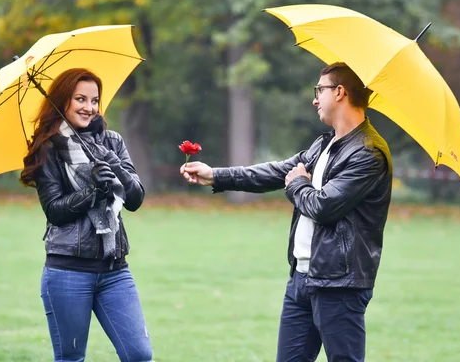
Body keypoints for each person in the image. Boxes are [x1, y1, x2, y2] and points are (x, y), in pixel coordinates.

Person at [180, 62, 392, 362]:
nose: (315, 99)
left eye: (320, 90)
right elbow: (277, 171)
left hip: (340, 286)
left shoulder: (368, 153)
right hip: (302, 280)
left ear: (340, 92)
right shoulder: (324, 144)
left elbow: (323, 206)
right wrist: (216, 175)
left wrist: (298, 184)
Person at [20, 68, 153, 362]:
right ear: (63, 100)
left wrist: (114, 167)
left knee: (139, 355)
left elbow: (135, 199)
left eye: (94, 100)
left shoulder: (112, 142)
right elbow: (55, 210)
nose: (89, 107)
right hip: (67, 271)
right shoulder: (48, 148)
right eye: (80, 98)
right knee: (71, 358)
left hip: (114, 270)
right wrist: (92, 189)